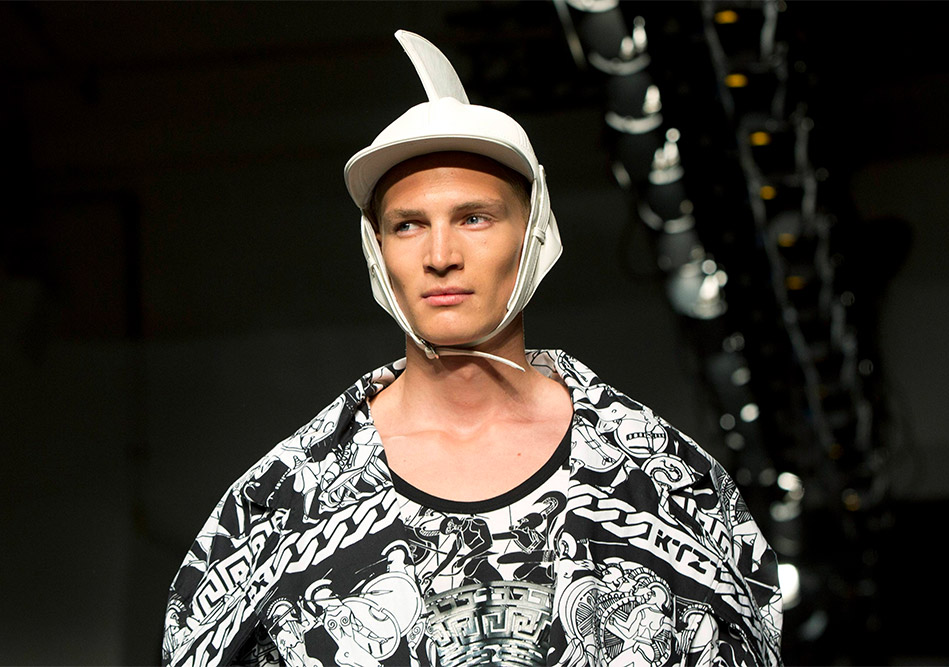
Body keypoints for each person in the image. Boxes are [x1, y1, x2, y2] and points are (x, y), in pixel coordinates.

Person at [162, 30, 783, 667]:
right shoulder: (281, 505)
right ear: (377, 250)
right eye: (408, 225)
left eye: (474, 218)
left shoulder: (666, 483)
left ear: (535, 231)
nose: (441, 256)